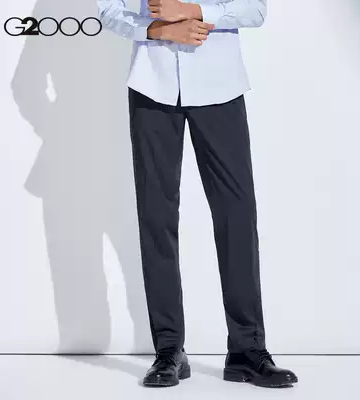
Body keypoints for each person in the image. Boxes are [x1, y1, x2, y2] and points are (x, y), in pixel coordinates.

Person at [97, 0, 298, 388]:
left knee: (236, 215)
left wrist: (193, 9)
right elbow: (108, 11)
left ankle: (247, 350)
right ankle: (169, 350)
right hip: (151, 87)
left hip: (220, 87)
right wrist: (157, 30)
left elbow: (255, 10)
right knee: (156, 217)